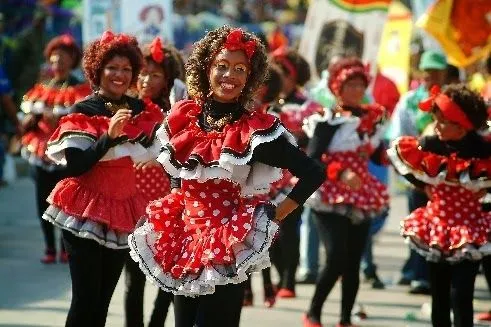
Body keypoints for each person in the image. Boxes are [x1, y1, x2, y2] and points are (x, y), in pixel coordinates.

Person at [128, 26, 324, 327]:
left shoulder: (253, 131)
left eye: (239, 69)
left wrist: (277, 213)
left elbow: (312, 173)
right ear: (207, 68)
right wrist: (172, 210)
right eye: (221, 66)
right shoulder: (184, 117)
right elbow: (179, 176)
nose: (229, 76)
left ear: (249, 78)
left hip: (227, 242)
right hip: (186, 240)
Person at [41, 31, 163, 327]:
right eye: (112, 68)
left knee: (102, 303)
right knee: (85, 301)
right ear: (98, 71)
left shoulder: (141, 110)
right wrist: (108, 138)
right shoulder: (82, 111)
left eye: (126, 69)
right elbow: (75, 167)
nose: (119, 75)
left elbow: (160, 147)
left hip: (121, 210)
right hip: (83, 210)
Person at [387, 84, 491, 327]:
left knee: (462, 294)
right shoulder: (431, 142)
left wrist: (485, 189)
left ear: (462, 124)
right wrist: (423, 186)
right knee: (440, 295)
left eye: (444, 121)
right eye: (436, 119)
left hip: (470, 228)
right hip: (436, 226)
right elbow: (402, 160)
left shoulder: (483, 148)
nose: (437, 125)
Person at [303, 57, 389, 327]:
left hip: (361, 195)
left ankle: (344, 319)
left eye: (360, 85)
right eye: (350, 84)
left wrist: (398, 153)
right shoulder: (327, 121)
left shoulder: (369, 119)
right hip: (329, 196)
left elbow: (376, 155)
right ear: (337, 88)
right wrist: (341, 172)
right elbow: (313, 158)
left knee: (353, 262)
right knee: (337, 257)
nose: (356, 90)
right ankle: (313, 313)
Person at [124, 36, 184, 327]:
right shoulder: (123, 108)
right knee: (132, 278)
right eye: (143, 73)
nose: (147, 80)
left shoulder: (178, 111)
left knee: (167, 272)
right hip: (129, 201)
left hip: (166, 204)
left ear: (169, 78)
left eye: (156, 74)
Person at [20, 34, 89, 264]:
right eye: (54, 59)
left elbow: (82, 119)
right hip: (42, 150)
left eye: (62, 59)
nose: (57, 63)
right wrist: (30, 119)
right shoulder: (40, 88)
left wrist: (58, 122)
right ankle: (49, 247)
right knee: (42, 201)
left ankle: (64, 247)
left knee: (65, 202)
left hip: (67, 154)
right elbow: (25, 115)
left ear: (72, 60)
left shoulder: (80, 89)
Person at [389, 50, 448, 294]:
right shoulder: (410, 101)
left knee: (443, 225)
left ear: (444, 73)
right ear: (420, 73)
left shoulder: (451, 100)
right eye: (428, 71)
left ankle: (429, 274)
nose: (432, 76)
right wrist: (408, 171)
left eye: (436, 71)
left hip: (447, 177)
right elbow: (397, 136)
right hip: (418, 174)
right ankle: (419, 275)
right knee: (418, 221)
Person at [270, 47, 321, 296]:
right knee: (268, 227)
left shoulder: (309, 106)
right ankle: (281, 275)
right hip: (267, 177)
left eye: (283, 73)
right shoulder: (264, 104)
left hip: (295, 176)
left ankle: (289, 279)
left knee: (289, 225)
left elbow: (316, 140)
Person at [243, 63, 284, 308]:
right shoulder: (235, 114)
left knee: (264, 240)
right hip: (237, 190)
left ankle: (268, 287)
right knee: (242, 243)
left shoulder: (272, 116)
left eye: (261, 86)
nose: (256, 91)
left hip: (264, 189)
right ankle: (246, 291)